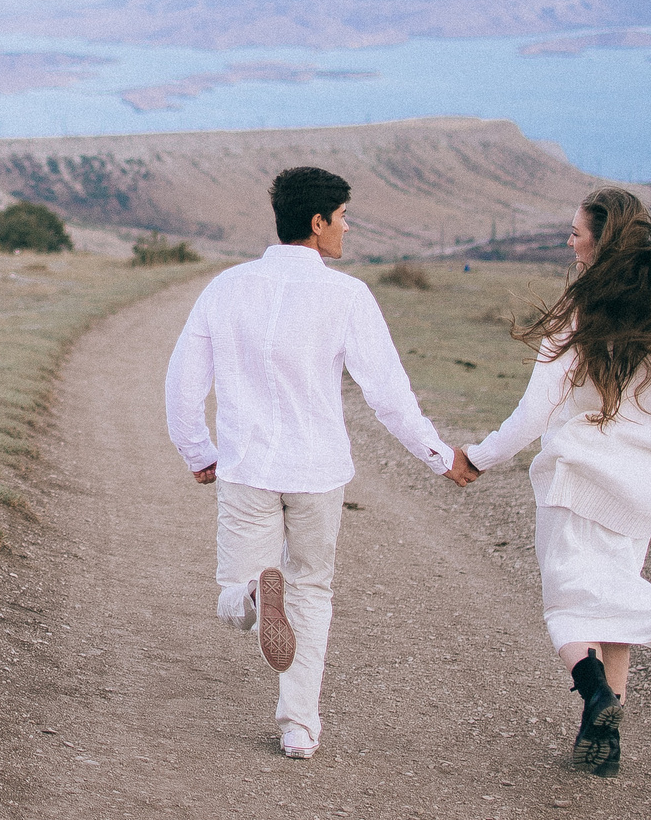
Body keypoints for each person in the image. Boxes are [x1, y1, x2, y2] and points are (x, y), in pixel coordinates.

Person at [450, 187, 651, 777]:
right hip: (644, 486)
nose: (569, 241)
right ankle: (606, 740)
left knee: (565, 599)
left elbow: (535, 411)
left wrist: (479, 458)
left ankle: (593, 692)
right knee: (612, 598)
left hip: (580, 478)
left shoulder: (576, 312)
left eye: (576, 233)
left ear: (603, 241)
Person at [164, 165, 459, 759]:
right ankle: (299, 726)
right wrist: (439, 456)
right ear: (318, 222)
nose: (349, 229)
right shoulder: (347, 295)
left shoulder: (226, 287)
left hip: (246, 467)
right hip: (318, 473)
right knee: (311, 591)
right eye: (345, 217)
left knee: (232, 592)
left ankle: (252, 598)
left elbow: (182, 382)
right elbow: (388, 394)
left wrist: (198, 449)